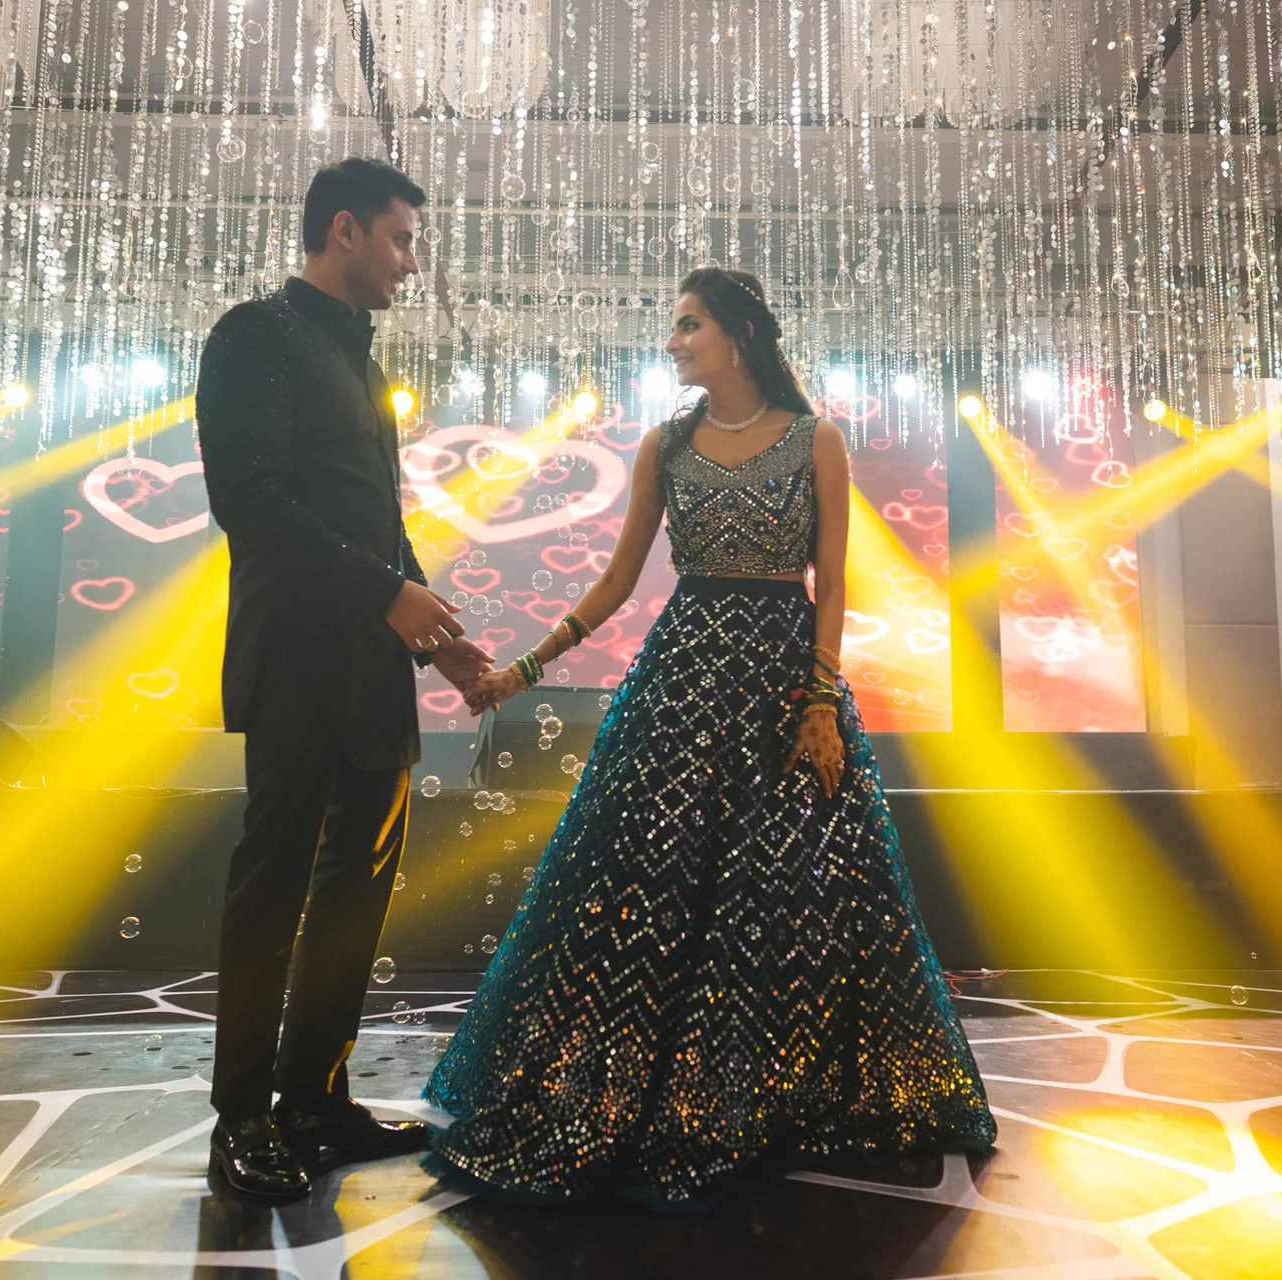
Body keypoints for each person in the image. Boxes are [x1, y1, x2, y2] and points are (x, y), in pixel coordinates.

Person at [420, 267, 997, 1209]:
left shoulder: (818, 440)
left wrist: (819, 700)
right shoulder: (664, 447)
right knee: (648, 889)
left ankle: (771, 1096)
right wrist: (522, 673)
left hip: (781, 689)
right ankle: (664, 1096)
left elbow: (837, 584)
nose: (673, 341)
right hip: (682, 688)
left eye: (689, 325)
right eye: (673, 327)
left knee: (790, 899)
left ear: (738, 332)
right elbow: (613, 587)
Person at [196, 157, 493, 1202]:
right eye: (404, 240)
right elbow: (252, 500)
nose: (414, 263)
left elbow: (377, 526)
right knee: (273, 883)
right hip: (292, 655)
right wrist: (386, 594)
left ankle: (313, 1099)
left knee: (355, 893)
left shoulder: (363, 367)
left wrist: (438, 636)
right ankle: (239, 1120)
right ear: (345, 231)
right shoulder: (252, 336)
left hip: (372, 662)